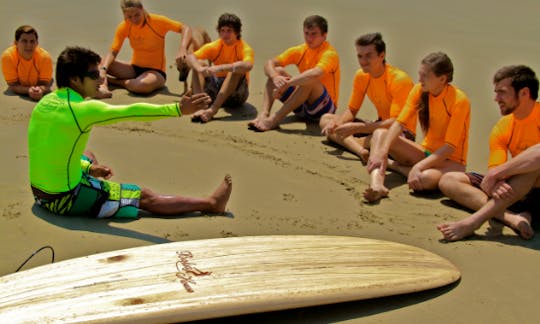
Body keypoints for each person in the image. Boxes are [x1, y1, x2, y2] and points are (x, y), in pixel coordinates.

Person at [28, 46, 232, 219]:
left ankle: (89, 173)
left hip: (39, 194)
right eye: (93, 75)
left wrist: (88, 169)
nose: (100, 79)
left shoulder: (46, 102)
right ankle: (211, 204)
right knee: (144, 196)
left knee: (88, 155)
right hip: (64, 199)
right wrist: (178, 109)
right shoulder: (82, 110)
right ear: (74, 79)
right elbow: (131, 111)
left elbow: (50, 152)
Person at [438, 65, 540, 241]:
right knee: (449, 180)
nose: (496, 98)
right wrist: (496, 179)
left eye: (502, 92)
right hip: (516, 193)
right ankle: (511, 218)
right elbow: (497, 168)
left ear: (524, 93)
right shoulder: (503, 126)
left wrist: (497, 174)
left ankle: (473, 222)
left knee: (533, 165)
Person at [364, 52, 471, 203]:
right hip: (425, 153)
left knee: (423, 179)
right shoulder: (419, 90)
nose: (420, 79)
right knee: (380, 134)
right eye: (420, 74)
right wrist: (383, 152)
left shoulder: (459, 101)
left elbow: (449, 147)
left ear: (442, 79)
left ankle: (396, 166)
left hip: (451, 162)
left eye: (425, 76)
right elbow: (399, 123)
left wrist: (418, 167)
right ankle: (377, 185)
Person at [320, 33, 415, 162]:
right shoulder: (361, 76)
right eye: (360, 56)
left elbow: (395, 123)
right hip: (377, 125)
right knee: (326, 119)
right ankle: (360, 150)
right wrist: (338, 124)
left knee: (375, 136)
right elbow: (352, 110)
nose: (363, 61)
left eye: (368, 56)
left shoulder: (399, 80)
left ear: (382, 55)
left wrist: (357, 127)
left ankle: (353, 143)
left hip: (401, 134)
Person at [248, 15, 340, 132]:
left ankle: (274, 120)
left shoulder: (330, 53)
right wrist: (275, 77)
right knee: (278, 71)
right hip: (300, 106)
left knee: (310, 80)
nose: (309, 38)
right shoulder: (300, 50)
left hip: (323, 111)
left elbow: (316, 73)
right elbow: (269, 63)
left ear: (324, 35)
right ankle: (263, 115)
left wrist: (288, 84)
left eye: (314, 34)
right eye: (306, 33)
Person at [96, 0, 193, 97]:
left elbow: (185, 28)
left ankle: (115, 81)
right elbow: (113, 51)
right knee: (99, 61)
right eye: (129, 17)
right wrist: (104, 69)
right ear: (124, 15)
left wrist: (182, 48)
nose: (134, 19)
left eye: (137, 15)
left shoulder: (157, 21)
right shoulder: (124, 26)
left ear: (142, 9)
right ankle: (103, 87)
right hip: (134, 69)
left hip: (156, 73)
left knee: (141, 86)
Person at [187, 13, 254, 123]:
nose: (225, 34)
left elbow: (248, 65)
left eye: (229, 31)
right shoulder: (215, 46)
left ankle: (213, 110)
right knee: (199, 64)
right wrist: (199, 69)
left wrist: (221, 68)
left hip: (236, 96)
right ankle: (201, 106)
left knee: (236, 68)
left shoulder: (244, 48)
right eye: (222, 30)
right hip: (215, 89)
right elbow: (190, 57)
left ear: (237, 32)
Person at [1, 25, 53, 101]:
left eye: (32, 41)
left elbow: (44, 84)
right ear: (16, 43)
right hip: (21, 84)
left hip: (39, 81)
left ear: (37, 43)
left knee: (50, 80)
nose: (29, 45)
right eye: (24, 41)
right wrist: (28, 90)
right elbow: (12, 85)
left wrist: (41, 90)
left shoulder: (45, 58)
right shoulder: (8, 57)